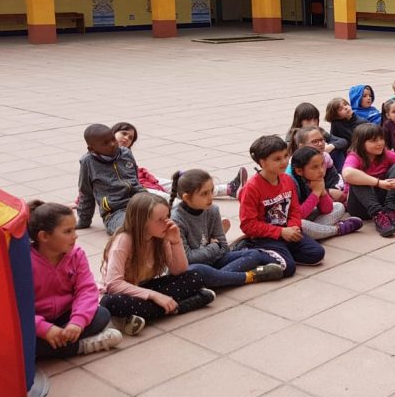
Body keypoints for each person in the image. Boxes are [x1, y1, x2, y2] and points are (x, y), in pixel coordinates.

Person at [100, 192, 215, 332]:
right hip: (124, 293)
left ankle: (145, 313)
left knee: (196, 276)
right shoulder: (123, 241)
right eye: (160, 219)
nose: (167, 223)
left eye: (167, 217)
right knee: (110, 302)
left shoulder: (160, 237)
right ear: (142, 222)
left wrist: (176, 242)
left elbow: (179, 271)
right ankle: (180, 306)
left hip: (145, 287)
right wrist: (155, 296)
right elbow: (113, 284)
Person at [30, 201, 122, 358]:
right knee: (20, 343)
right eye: (67, 231)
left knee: (102, 314)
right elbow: (17, 308)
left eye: (74, 229)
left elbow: (86, 290)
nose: (75, 235)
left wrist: (77, 321)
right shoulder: (24, 262)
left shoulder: (77, 254)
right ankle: (82, 346)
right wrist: (44, 329)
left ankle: (61, 343)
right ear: (44, 236)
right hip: (35, 320)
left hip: (67, 314)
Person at [168, 169, 285, 289]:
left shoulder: (212, 210)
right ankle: (249, 276)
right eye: (204, 194)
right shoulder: (176, 220)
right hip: (195, 268)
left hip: (215, 261)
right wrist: (214, 246)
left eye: (211, 191)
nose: (210, 197)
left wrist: (215, 248)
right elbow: (188, 259)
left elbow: (223, 247)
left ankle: (216, 280)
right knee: (198, 270)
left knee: (253, 254)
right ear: (187, 198)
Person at [237, 135, 326, 277]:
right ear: (262, 162)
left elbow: (295, 210)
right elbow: (248, 224)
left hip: (287, 231)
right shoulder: (252, 188)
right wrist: (281, 232)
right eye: (277, 159)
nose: (284, 161)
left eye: (285, 156)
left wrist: (293, 226)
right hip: (265, 237)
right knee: (288, 268)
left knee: (317, 253)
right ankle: (251, 250)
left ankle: (281, 254)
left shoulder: (287, 180)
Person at [111, 122, 247, 198]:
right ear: (112, 133)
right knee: (162, 197)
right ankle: (196, 214)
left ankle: (229, 189)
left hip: (140, 179)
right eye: (124, 133)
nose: (126, 138)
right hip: (131, 189)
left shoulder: (126, 153)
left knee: (181, 184)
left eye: (130, 138)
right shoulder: (101, 155)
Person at [341, 123, 395, 237]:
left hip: (381, 202)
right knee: (357, 176)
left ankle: (390, 210)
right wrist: (378, 183)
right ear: (361, 143)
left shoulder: (386, 154)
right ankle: (378, 216)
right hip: (360, 207)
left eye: (381, 139)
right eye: (373, 141)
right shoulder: (355, 156)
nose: (380, 143)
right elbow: (347, 174)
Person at [77, 123, 146, 234]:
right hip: (115, 211)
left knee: (164, 215)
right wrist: (84, 220)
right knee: (130, 228)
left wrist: (145, 196)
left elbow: (135, 180)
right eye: (105, 143)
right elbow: (86, 192)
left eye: (113, 139)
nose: (112, 144)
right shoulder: (88, 162)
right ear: (91, 149)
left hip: (140, 201)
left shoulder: (126, 153)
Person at [290, 146, 363, 239]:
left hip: (305, 217)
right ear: (299, 171)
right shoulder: (291, 182)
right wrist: (316, 192)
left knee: (338, 206)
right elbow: (297, 215)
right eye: (315, 167)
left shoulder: (312, 177)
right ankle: (337, 230)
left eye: (322, 165)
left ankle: (317, 231)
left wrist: (323, 191)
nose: (321, 171)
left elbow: (327, 210)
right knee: (300, 225)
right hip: (290, 223)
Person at [290, 126, 343, 201]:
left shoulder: (325, 156)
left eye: (322, 140)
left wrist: (332, 190)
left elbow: (333, 178)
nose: (321, 144)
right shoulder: (294, 168)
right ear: (301, 146)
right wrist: (325, 192)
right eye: (315, 141)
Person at [285, 103, 343, 169]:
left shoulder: (317, 131)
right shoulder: (292, 136)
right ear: (299, 121)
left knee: (337, 150)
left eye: (315, 120)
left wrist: (331, 146)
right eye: (308, 120)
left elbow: (342, 141)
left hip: (324, 162)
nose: (313, 123)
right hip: (306, 164)